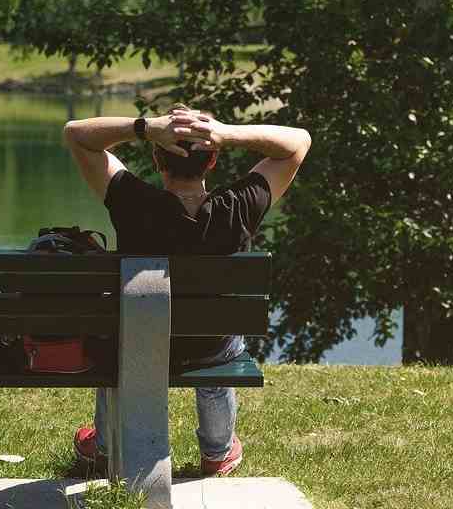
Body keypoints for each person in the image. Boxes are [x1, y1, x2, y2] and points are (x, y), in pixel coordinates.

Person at [62, 105, 311, 477]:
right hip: (210, 346)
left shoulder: (132, 201)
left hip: (140, 342)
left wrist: (146, 127)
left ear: (157, 158)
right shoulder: (238, 207)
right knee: (223, 340)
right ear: (212, 161)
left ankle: (104, 447)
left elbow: (75, 134)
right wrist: (226, 133)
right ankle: (218, 451)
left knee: (121, 331)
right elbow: (298, 142)